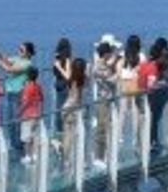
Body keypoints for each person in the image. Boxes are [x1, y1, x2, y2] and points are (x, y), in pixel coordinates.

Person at [0, 40, 35, 156]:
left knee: (16, 120)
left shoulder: (27, 64)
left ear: (28, 53)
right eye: (19, 49)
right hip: (10, 92)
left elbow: (9, 69)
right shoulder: (17, 59)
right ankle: (13, 144)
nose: (19, 51)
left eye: (22, 50)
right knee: (11, 119)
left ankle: (18, 146)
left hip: (18, 93)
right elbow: (7, 60)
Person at [91, 34, 121, 169]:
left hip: (107, 99)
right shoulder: (100, 66)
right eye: (110, 53)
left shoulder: (103, 64)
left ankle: (103, 156)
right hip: (103, 101)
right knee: (102, 129)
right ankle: (98, 157)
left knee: (106, 127)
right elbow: (111, 80)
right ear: (106, 54)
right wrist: (119, 73)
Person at [145, 37, 168, 151]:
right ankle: (157, 141)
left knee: (153, 117)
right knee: (159, 117)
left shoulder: (151, 58)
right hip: (162, 92)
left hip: (151, 91)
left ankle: (151, 140)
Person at [61, 57, 87, 169]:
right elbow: (76, 98)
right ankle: (71, 160)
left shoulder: (72, 78)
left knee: (68, 135)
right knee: (73, 135)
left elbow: (67, 74)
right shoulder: (82, 79)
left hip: (67, 107)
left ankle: (67, 160)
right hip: (72, 108)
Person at [119, 34, 142, 147]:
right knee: (134, 111)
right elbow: (142, 70)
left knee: (122, 111)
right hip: (134, 82)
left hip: (124, 82)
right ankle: (135, 138)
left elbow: (118, 69)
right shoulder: (141, 56)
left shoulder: (123, 55)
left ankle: (120, 136)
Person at [20, 66, 44, 165]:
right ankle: (35, 155)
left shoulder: (27, 88)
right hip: (37, 114)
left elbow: (26, 102)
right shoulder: (38, 86)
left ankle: (27, 156)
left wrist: (19, 111)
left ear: (27, 76)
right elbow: (42, 98)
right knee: (35, 136)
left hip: (27, 115)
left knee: (26, 137)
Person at [51, 38, 73, 134]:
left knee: (61, 111)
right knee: (59, 110)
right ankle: (60, 131)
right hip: (59, 87)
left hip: (65, 87)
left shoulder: (67, 60)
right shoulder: (58, 58)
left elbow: (68, 76)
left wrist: (59, 67)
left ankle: (62, 132)